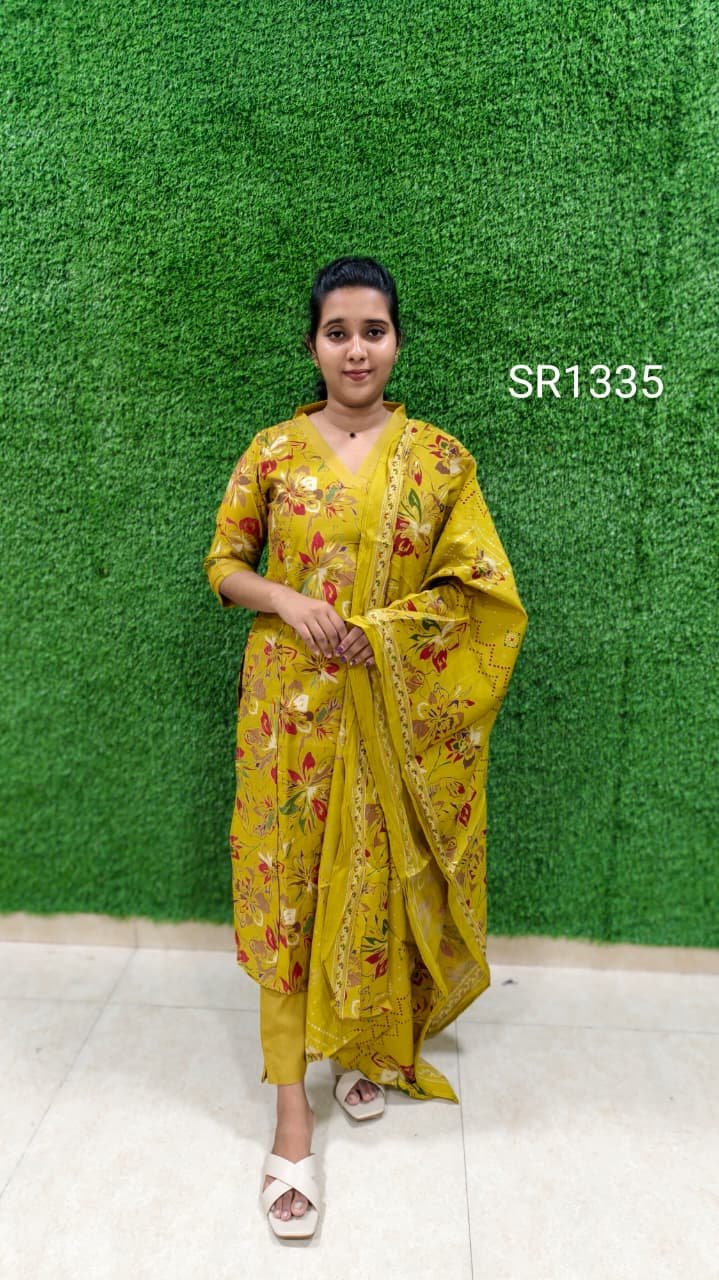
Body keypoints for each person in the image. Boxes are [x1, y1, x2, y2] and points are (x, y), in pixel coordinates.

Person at [202, 255, 529, 1238]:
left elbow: (478, 592)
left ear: (396, 341)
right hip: (286, 718)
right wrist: (285, 596)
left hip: (392, 716)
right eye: (336, 331)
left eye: (372, 331)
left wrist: (382, 631)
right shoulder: (272, 451)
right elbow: (223, 564)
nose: (355, 349)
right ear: (312, 344)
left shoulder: (439, 461)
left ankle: (361, 1043)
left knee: (373, 882)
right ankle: (291, 1116)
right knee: (287, 898)